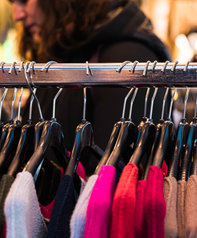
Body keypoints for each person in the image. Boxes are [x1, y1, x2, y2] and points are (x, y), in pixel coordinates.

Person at [10, 0, 171, 149]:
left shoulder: (127, 56)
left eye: (24, 1)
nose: (17, 15)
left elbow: (116, 172)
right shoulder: (65, 51)